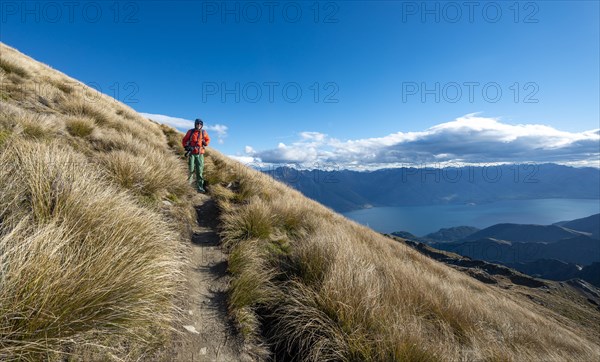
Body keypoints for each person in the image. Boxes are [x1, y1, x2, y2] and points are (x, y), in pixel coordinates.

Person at [182, 118, 211, 193]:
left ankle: (200, 187)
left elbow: (208, 139)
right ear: (195, 124)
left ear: (202, 125)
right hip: (192, 153)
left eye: (200, 124)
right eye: (197, 124)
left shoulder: (204, 132)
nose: (199, 125)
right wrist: (186, 146)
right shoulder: (190, 132)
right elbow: (184, 140)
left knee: (199, 171)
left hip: (200, 154)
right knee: (190, 169)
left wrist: (206, 143)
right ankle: (188, 186)